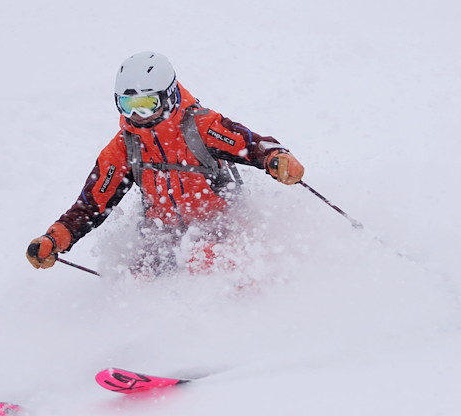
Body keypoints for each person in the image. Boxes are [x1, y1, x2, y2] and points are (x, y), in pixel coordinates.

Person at [26, 51, 305, 275]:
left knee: (204, 260)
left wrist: (276, 158)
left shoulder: (200, 126)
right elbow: (92, 203)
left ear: (169, 95)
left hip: (220, 228)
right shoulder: (125, 145)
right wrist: (56, 238)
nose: (138, 114)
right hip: (163, 237)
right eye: (127, 104)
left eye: (147, 103)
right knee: (138, 275)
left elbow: (251, 145)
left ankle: (230, 328)